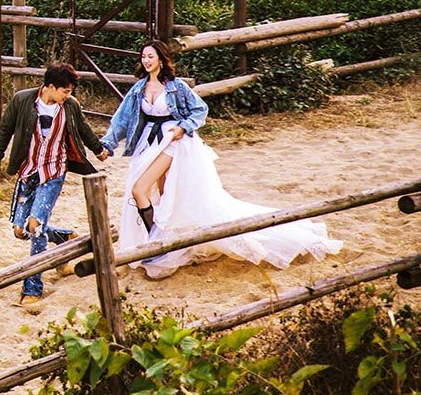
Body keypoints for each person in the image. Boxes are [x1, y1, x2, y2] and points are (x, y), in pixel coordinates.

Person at [100, 41, 342, 279]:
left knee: (139, 189)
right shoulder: (138, 89)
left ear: (161, 59)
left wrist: (183, 128)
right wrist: (107, 145)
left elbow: (200, 110)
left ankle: (157, 247)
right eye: (144, 57)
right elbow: (121, 120)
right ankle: (164, 241)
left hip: (174, 142)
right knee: (163, 195)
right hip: (149, 144)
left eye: (151, 56)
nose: (147, 60)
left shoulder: (176, 87)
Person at [0, 63, 110, 311]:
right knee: (20, 230)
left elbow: (83, 129)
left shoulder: (70, 106)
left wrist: (98, 150)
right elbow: (5, 130)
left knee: (36, 226)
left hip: (54, 172)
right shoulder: (22, 100)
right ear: (50, 87)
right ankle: (64, 237)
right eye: (65, 90)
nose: (68, 95)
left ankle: (32, 288)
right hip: (27, 171)